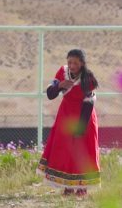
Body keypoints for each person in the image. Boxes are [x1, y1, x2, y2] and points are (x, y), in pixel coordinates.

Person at [38, 49, 100, 196]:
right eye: (70, 62)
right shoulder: (62, 72)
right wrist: (60, 86)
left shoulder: (88, 79)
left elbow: (89, 103)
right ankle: (67, 185)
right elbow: (50, 94)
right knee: (65, 150)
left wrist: (81, 127)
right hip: (65, 116)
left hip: (84, 117)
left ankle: (82, 187)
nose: (72, 66)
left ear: (82, 64)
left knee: (83, 150)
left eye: (75, 63)